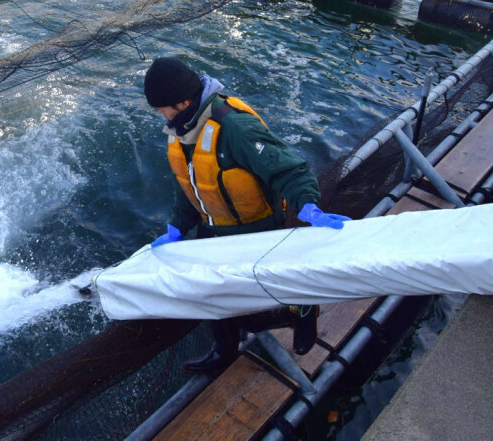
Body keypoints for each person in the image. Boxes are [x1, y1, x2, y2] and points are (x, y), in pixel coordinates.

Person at [142, 56, 348, 374]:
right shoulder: (181, 132)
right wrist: (177, 227)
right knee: (209, 296)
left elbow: (290, 170)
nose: (160, 116)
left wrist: (309, 207)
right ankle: (223, 352)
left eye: (161, 108)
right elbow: (188, 187)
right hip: (214, 231)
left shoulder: (236, 128)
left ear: (183, 102)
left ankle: (299, 311)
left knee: (244, 310)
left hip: (255, 233)